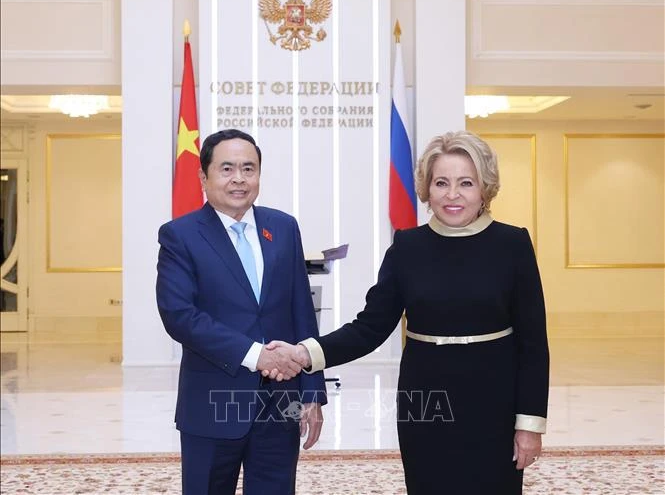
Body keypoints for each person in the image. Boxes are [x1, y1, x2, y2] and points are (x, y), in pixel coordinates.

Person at [266, 130, 549, 494]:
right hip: (424, 402)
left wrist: (530, 424)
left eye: (466, 183)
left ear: (485, 188)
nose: (452, 194)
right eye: (441, 183)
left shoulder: (513, 245)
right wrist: (306, 353)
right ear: (426, 189)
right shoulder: (407, 247)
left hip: (495, 403)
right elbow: (369, 328)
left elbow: (533, 345)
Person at [156, 129, 327, 495]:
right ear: (204, 177)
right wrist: (256, 355)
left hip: (282, 402)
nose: (239, 179)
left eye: (249, 169)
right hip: (212, 401)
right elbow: (179, 315)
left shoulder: (283, 227)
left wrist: (312, 391)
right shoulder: (180, 235)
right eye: (227, 168)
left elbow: (301, 311)